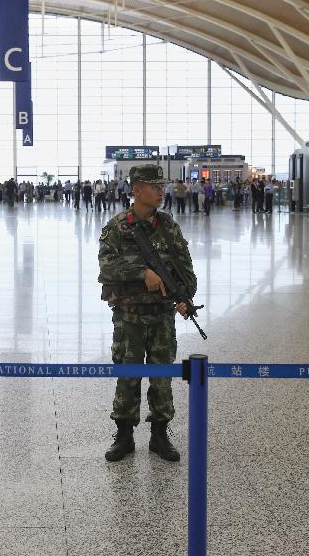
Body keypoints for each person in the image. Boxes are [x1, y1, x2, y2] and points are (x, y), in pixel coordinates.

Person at [97, 164, 197, 463]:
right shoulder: (117, 227)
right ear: (136, 189)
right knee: (128, 375)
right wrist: (142, 273)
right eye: (154, 186)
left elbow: (187, 273)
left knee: (162, 376)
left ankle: (159, 435)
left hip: (161, 317)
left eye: (161, 186)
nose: (160, 191)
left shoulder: (169, 227)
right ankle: (124, 436)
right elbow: (106, 268)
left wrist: (184, 297)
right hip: (128, 317)